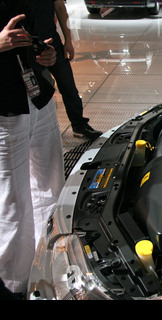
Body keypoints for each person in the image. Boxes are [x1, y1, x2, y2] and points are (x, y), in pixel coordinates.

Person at [0, 1, 65, 295]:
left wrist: (47, 55)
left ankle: (49, 259)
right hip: (4, 104)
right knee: (13, 198)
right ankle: (14, 280)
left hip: (37, 94)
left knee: (51, 181)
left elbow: (38, 35)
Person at [31, 0, 102, 140]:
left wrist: (68, 40)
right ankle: (34, 131)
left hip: (52, 40)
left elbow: (59, 6)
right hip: (27, 45)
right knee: (35, 91)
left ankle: (79, 125)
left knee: (68, 85)